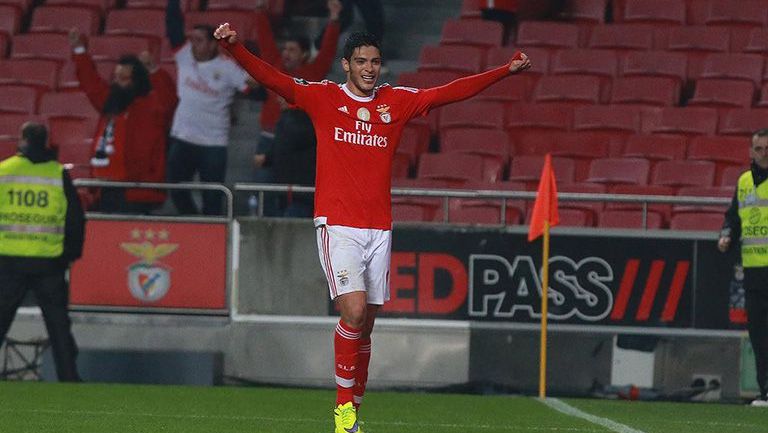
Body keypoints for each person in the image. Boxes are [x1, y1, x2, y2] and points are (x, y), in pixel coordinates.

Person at [214, 23, 530, 432]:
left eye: (375, 62)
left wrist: (503, 71)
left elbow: (448, 92)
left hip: (379, 228)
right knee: (354, 311)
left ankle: (353, 417)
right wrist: (235, 47)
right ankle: (343, 411)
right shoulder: (324, 97)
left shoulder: (395, 103)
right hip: (337, 224)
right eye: (360, 61)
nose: (369, 68)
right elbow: (271, 77)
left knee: (366, 328)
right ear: (346, 64)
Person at [0, 122, 86, 382]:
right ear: (47, 140)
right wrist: (70, 254)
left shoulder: (4, 171)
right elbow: (75, 219)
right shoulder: (57, 174)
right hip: (49, 263)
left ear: (22, 139)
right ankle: (69, 378)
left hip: (9, 261)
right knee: (58, 325)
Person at [69, 28, 178, 214]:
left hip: (134, 190)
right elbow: (92, 84)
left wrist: (153, 70)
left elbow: (168, 100)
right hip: (103, 190)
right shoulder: (111, 101)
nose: (118, 83)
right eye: (116, 78)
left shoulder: (149, 107)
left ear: (137, 81)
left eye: (124, 79)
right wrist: (80, 51)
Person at [165, 0, 255, 215]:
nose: (193, 44)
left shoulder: (227, 68)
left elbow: (252, 90)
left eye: (199, 40)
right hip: (183, 137)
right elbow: (173, 27)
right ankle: (192, 221)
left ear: (213, 44)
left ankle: (211, 235)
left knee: (212, 196)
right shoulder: (185, 56)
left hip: (213, 142)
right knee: (174, 187)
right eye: (192, 39)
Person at [251, 0, 341, 196]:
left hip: (295, 142)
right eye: (284, 49)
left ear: (304, 54)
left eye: (292, 50)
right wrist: (260, 10)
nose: (286, 54)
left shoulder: (313, 74)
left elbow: (328, 51)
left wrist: (334, 20)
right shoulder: (274, 67)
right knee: (262, 191)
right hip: (268, 137)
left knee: (289, 192)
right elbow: (265, 39)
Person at [719, 128, 768, 407]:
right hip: (753, 272)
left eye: (767, 149)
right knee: (759, 334)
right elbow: (733, 218)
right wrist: (726, 234)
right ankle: (767, 392)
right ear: (751, 152)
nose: (763, 154)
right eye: (759, 149)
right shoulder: (744, 182)